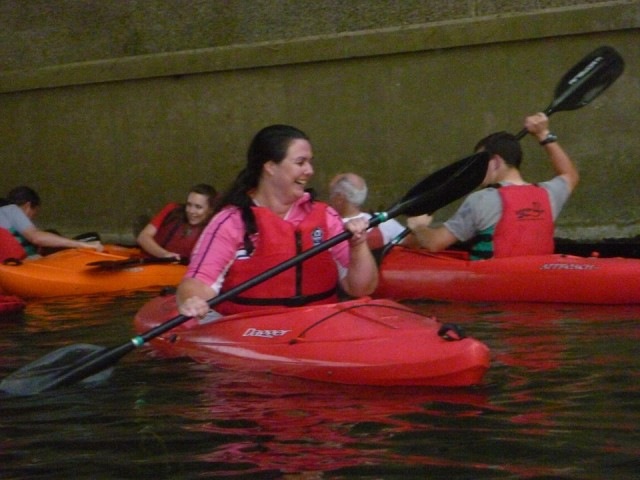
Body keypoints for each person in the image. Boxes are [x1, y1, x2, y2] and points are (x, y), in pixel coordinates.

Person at [177, 124, 378, 319]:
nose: (310, 170)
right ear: (271, 167)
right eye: (300, 162)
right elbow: (199, 283)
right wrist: (193, 300)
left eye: (310, 162)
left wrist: (358, 245)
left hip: (318, 325)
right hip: (250, 329)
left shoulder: (325, 217)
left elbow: (361, 288)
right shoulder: (231, 222)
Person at [407, 112, 579, 260]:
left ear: (496, 162)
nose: (475, 171)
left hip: (492, 286)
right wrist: (543, 134)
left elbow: (435, 244)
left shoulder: (481, 199)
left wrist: (419, 226)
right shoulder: (548, 194)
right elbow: (570, 175)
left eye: (479, 163)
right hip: (539, 278)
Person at [0, 186, 103, 261]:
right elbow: (36, 237)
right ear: (28, 206)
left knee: (51, 233)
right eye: (34, 213)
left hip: (15, 265)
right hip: (22, 267)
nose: (31, 219)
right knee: (93, 237)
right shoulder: (11, 209)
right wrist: (83, 245)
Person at [136, 183, 218, 262]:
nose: (191, 211)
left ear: (210, 210)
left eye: (198, 207)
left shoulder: (214, 229)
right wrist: (165, 255)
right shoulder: (172, 210)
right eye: (189, 205)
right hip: (149, 262)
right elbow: (143, 237)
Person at [328, 172, 408, 250]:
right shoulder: (383, 220)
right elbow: (411, 241)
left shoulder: (330, 226)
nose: (330, 198)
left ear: (339, 198)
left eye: (331, 193)